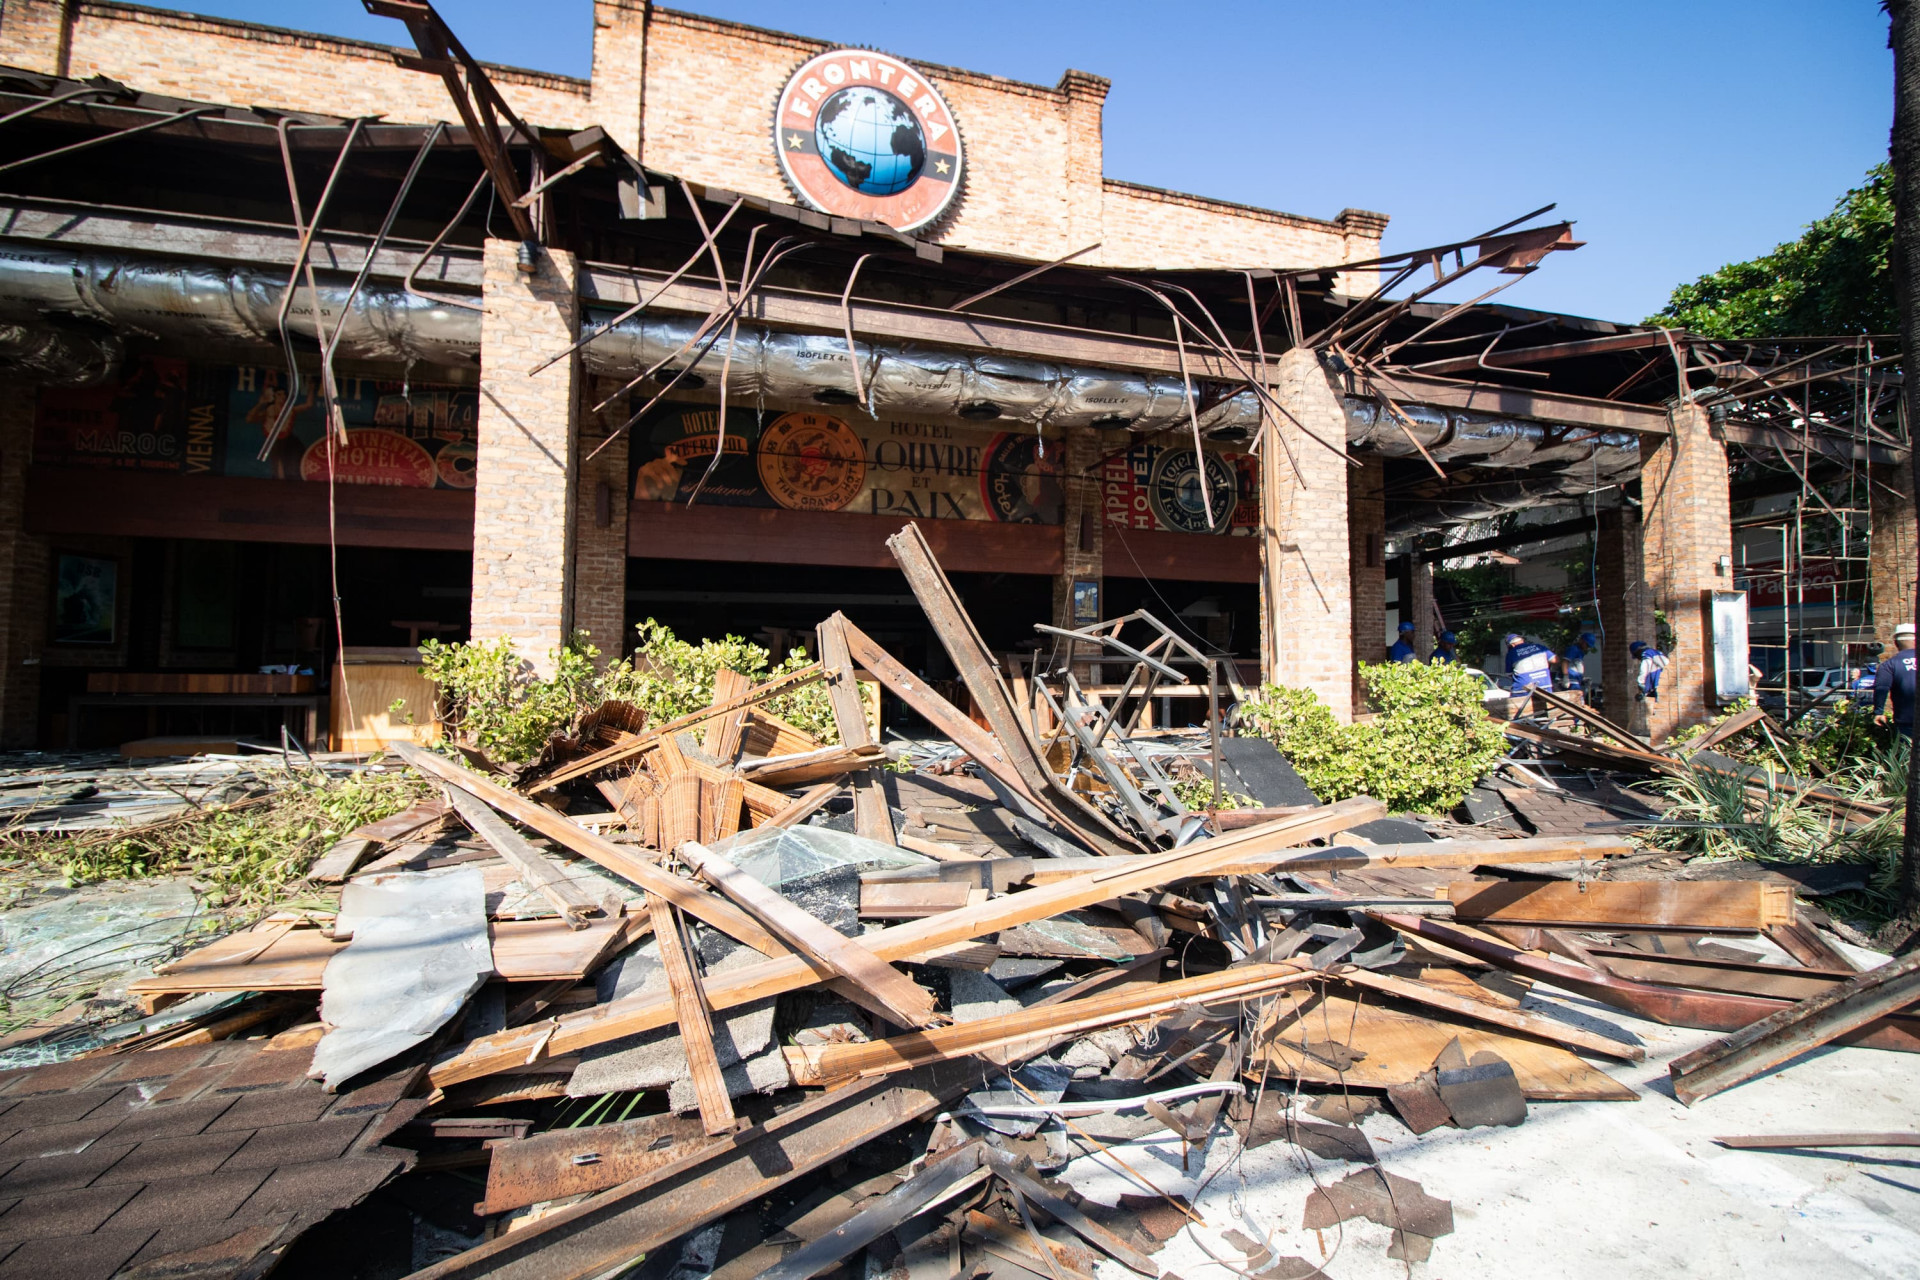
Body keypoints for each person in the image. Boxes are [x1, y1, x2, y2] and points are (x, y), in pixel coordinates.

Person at [1873, 623, 1917, 739]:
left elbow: (1881, 687)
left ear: (1896, 643)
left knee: (1909, 755)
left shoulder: (1889, 665)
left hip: (1907, 722)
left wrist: (1879, 712)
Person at [1504, 632, 1554, 697]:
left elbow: (1509, 674)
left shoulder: (1511, 654)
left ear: (1512, 645)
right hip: (1545, 685)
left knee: (1515, 704)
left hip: (1522, 689)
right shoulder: (1539, 646)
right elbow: (1554, 660)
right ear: (1522, 640)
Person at [1556, 632, 1597, 699]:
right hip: (1569, 682)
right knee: (1576, 701)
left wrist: (1581, 678)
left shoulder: (1580, 652)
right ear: (1582, 641)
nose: (1587, 647)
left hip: (1574, 681)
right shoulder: (1573, 649)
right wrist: (1565, 677)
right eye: (1587, 645)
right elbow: (1565, 662)